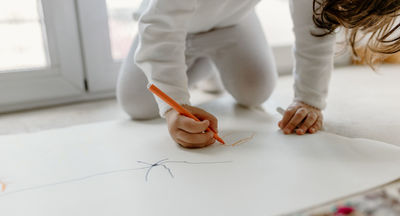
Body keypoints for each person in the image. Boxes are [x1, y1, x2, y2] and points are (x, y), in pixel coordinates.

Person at [117, 0, 400, 148]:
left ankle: (209, 65)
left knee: (255, 90)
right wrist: (172, 106)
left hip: (232, 24)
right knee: (137, 105)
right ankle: (198, 65)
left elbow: (315, 27)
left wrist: (309, 100)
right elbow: (161, 28)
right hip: (166, 27)